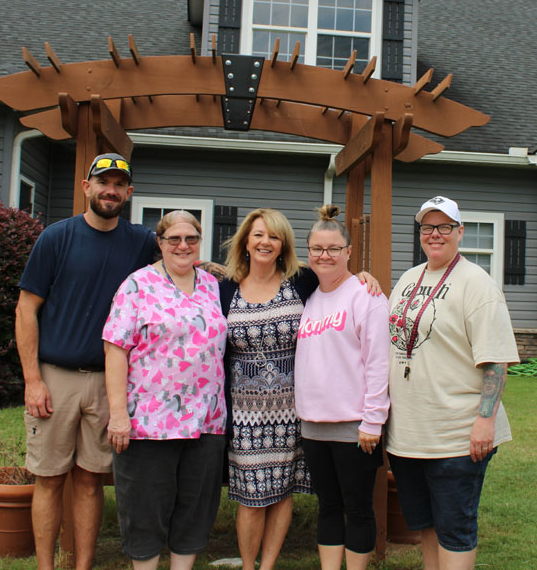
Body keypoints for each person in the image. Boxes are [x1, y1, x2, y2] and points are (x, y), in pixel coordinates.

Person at [15, 153, 158, 570]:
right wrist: (32, 380)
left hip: (108, 382)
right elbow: (27, 310)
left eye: (119, 185)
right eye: (103, 182)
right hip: (54, 379)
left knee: (90, 481)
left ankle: (83, 565)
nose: (110, 190)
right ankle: (46, 566)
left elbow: (184, 260)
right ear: (86, 187)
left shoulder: (139, 242)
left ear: (128, 193)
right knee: (48, 479)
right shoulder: (56, 238)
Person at [218, 207, 381, 570]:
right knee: (250, 496)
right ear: (246, 240)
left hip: (293, 409)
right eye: (259, 234)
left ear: (284, 245)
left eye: (274, 236)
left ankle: (269, 563)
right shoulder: (225, 288)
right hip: (246, 411)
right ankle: (249, 566)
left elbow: (337, 280)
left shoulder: (300, 281)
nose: (266, 242)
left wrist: (364, 276)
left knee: (281, 491)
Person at [385, 196, 520, 570]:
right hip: (409, 433)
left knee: (455, 528)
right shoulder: (409, 278)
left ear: (460, 232)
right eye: (428, 227)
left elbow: (495, 360)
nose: (435, 234)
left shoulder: (477, 284)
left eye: (445, 227)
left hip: (457, 435)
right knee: (426, 524)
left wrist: (485, 420)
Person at [102, 211, 228, 570]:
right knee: (145, 509)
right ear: (159, 242)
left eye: (190, 238)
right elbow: (115, 350)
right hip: (149, 422)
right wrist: (118, 415)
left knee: (195, 508)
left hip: (206, 420)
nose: (183, 245)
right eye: (174, 238)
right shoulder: (137, 285)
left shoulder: (211, 284)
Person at [295, 205, 390, 570]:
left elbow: (379, 363)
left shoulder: (366, 297)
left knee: (358, 509)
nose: (325, 255)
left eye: (333, 248)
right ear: (309, 253)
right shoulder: (312, 298)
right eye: (318, 248)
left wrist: (372, 421)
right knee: (329, 506)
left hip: (354, 427)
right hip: (314, 425)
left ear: (348, 252)